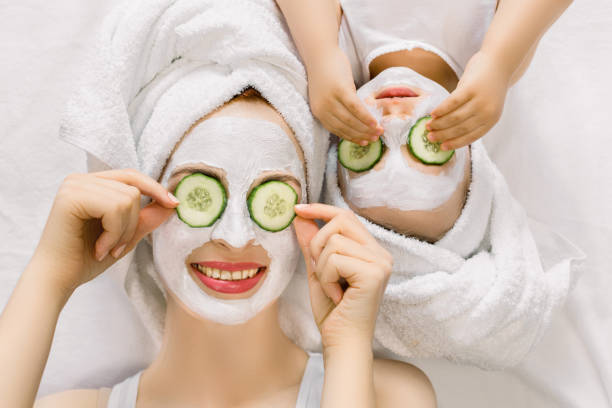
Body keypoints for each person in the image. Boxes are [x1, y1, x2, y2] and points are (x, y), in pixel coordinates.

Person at [0, 89, 437, 408]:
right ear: (145, 209)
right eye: (200, 197)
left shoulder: (390, 396)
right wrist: (50, 275)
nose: (235, 236)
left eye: (272, 197)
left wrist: (347, 347)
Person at [275, 0, 573, 149]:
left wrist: (319, 54)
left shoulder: (338, 50)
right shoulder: (495, 55)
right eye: (423, 151)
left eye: (371, 157)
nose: (396, 125)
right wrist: (498, 62)